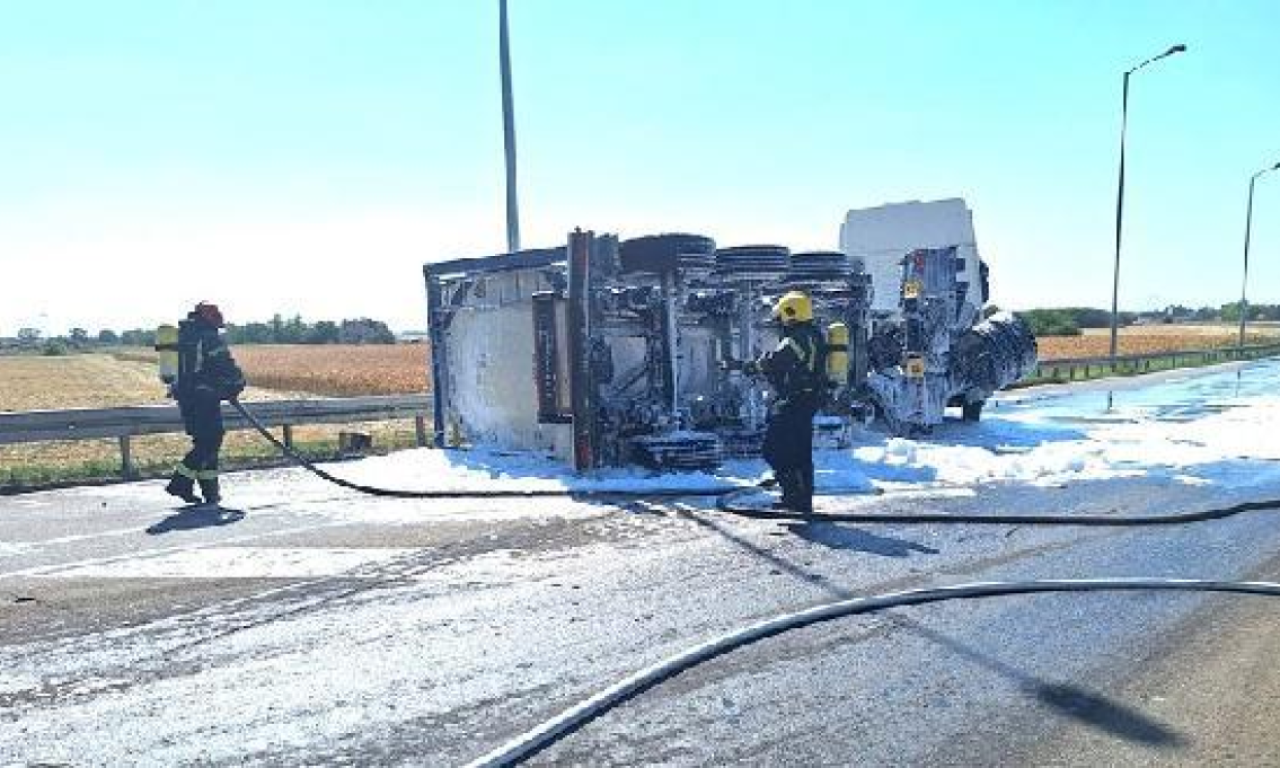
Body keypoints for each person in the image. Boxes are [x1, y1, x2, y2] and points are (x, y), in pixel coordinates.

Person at [739, 291, 826, 513]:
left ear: (790, 313)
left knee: (773, 449)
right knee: (800, 452)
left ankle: (793, 493)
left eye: (780, 318)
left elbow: (778, 362)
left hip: (797, 401)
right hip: (807, 399)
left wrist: (750, 366)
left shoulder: (797, 338)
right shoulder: (813, 334)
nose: (779, 324)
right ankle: (800, 499)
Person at [164, 302, 245, 506]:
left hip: (186, 396)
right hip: (204, 397)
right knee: (210, 441)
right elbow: (224, 364)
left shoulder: (186, 334)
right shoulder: (208, 337)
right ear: (211, 318)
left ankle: (210, 492)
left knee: (205, 443)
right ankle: (180, 482)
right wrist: (237, 382)